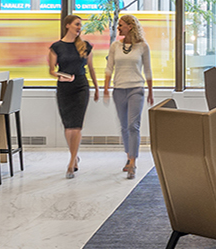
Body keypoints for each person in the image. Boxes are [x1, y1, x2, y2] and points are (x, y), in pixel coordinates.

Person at [103, 13, 154, 179]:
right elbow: (109, 67)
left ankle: (133, 161)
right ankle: (128, 156)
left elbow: (147, 70)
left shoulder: (142, 46)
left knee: (134, 125)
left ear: (130, 26)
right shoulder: (115, 46)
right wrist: (105, 87)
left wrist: (151, 91)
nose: (118, 28)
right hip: (119, 89)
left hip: (136, 89)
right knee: (124, 126)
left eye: (121, 25)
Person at [49, 13, 99, 178]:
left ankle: (71, 161)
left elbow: (91, 69)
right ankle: (75, 156)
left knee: (76, 125)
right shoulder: (56, 47)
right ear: (67, 25)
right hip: (64, 87)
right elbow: (51, 71)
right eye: (77, 24)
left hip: (81, 86)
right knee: (68, 126)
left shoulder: (85, 46)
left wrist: (97, 88)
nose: (79, 27)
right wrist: (61, 75)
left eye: (80, 25)